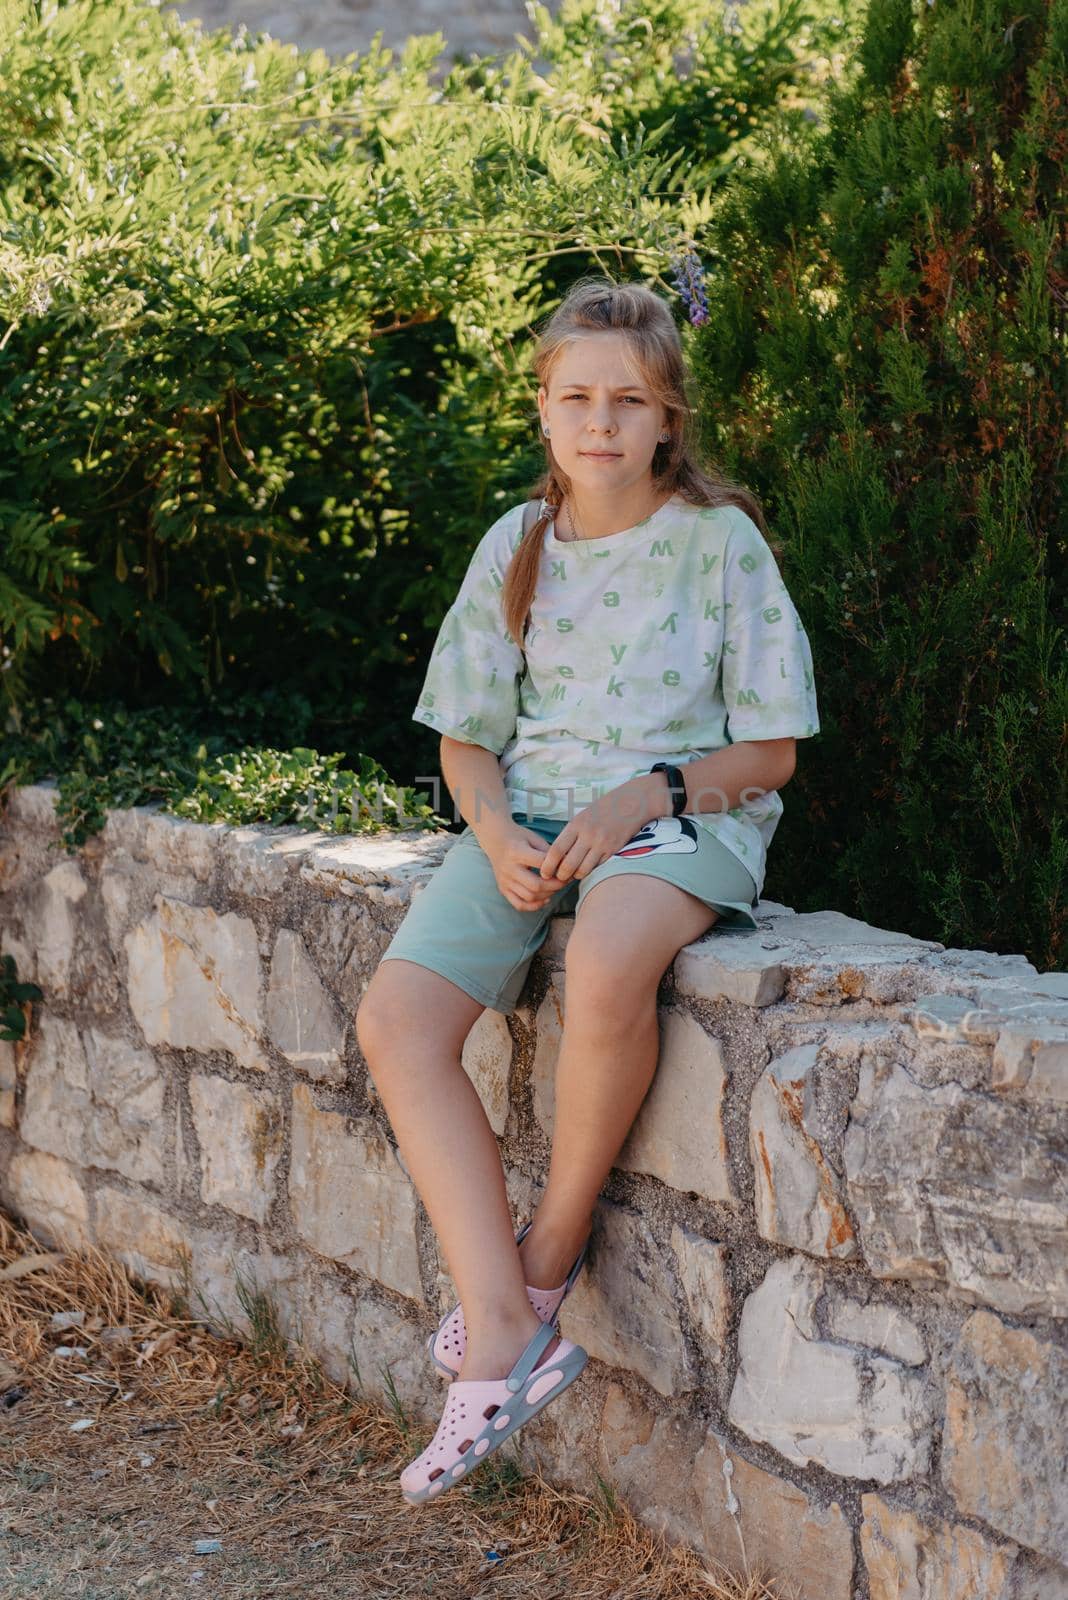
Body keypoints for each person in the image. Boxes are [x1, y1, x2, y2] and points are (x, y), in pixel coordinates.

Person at [355, 275, 820, 1505]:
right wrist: (493, 825)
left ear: (669, 416)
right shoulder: (515, 542)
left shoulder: (720, 543)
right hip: (532, 822)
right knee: (397, 1021)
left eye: (629, 399)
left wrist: (647, 796)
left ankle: (546, 1256)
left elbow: (770, 751)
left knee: (614, 950)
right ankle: (502, 1316)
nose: (601, 421)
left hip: (682, 819)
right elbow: (465, 733)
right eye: (576, 397)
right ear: (545, 408)